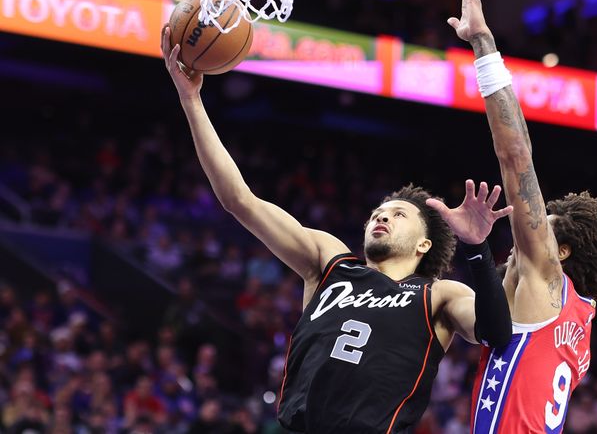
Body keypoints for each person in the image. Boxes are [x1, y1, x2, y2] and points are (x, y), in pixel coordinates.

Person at [160, 27, 513, 433]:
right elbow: (240, 200)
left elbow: (495, 332)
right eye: (378, 212)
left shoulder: (440, 295)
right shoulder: (330, 263)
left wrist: (477, 248)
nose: (381, 217)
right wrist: (191, 100)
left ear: (423, 243)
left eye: (398, 215)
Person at [447, 0, 597, 433]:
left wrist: (483, 44)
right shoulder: (580, 328)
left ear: (562, 250)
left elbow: (515, 156)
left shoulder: (546, 270)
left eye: (544, 223)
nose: (525, 232)